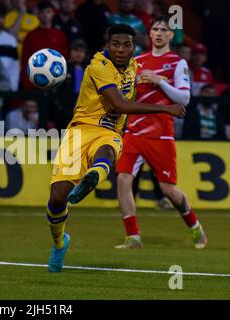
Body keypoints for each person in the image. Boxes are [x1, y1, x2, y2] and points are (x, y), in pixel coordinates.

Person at [46, 24, 186, 273]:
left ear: (134, 47)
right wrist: (165, 108)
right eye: (116, 44)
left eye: (127, 45)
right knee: (57, 198)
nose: (121, 50)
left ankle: (93, 178)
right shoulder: (98, 67)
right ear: (107, 46)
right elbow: (120, 104)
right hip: (79, 131)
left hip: (109, 132)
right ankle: (59, 243)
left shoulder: (133, 66)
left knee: (107, 151)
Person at [115, 16, 208, 249]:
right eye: (154, 29)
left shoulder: (177, 63)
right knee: (123, 180)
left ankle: (196, 227)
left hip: (161, 133)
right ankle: (133, 237)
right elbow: (125, 96)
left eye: (163, 30)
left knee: (168, 190)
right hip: (134, 131)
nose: (157, 33)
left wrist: (160, 82)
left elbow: (184, 98)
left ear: (170, 36)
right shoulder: (136, 61)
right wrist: (131, 84)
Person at [21, 0, 69, 90]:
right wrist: (28, 87)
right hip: (36, 84)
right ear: (37, 14)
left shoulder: (60, 36)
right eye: (42, 12)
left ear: (53, 13)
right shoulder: (31, 36)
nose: (45, 15)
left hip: (57, 85)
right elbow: (25, 62)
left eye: (48, 12)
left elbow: (65, 60)